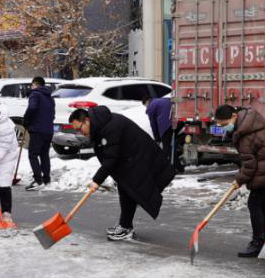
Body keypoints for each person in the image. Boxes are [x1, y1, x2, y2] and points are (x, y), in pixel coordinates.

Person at [69, 105, 174, 240]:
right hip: (131, 160)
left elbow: (110, 158)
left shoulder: (109, 127)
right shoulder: (100, 125)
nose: (80, 132)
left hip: (142, 159)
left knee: (129, 190)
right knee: (126, 190)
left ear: (87, 120)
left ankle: (125, 227)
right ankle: (125, 226)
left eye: (79, 128)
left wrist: (97, 180)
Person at [213, 104, 265, 257]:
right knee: (262, 204)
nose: (223, 128)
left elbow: (249, 165)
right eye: (220, 125)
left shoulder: (245, 135)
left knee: (254, 204)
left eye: (224, 124)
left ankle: (257, 243)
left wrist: (238, 180)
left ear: (234, 116)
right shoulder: (250, 119)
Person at [23, 76, 55, 190]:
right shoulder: (50, 97)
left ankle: (38, 180)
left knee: (33, 155)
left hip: (37, 129)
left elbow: (32, 108)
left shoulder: (35, 94)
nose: (31, 87)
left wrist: (26, 120)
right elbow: (52, 114)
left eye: (32, 85)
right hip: (48, 130)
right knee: (44, 155)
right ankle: (46, 179)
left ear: (35, 84)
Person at [146, 93, 183, 173]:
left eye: (145, 105)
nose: (146, 107)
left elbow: (153, 124)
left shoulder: (151, 106)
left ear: (147, 102)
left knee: (167, 148)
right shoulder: (163, 99)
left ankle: (171, 169)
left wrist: (157, 138)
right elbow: (176, 102)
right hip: (179, 121)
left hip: (166, 125)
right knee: (171, 146)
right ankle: (177, 168)